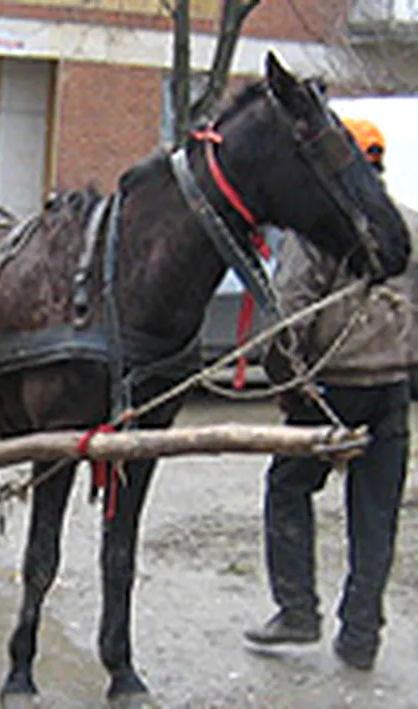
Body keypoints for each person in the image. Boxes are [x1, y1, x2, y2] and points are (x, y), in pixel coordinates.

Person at [243, 116, 414, 671]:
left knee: (288, 487)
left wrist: (288, 386)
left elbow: (287, 313)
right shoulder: (408, 226)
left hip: (329, 389)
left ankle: (297, 611)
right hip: (389, 389)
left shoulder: (315, 229)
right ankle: (360, 636)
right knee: (375, 515)